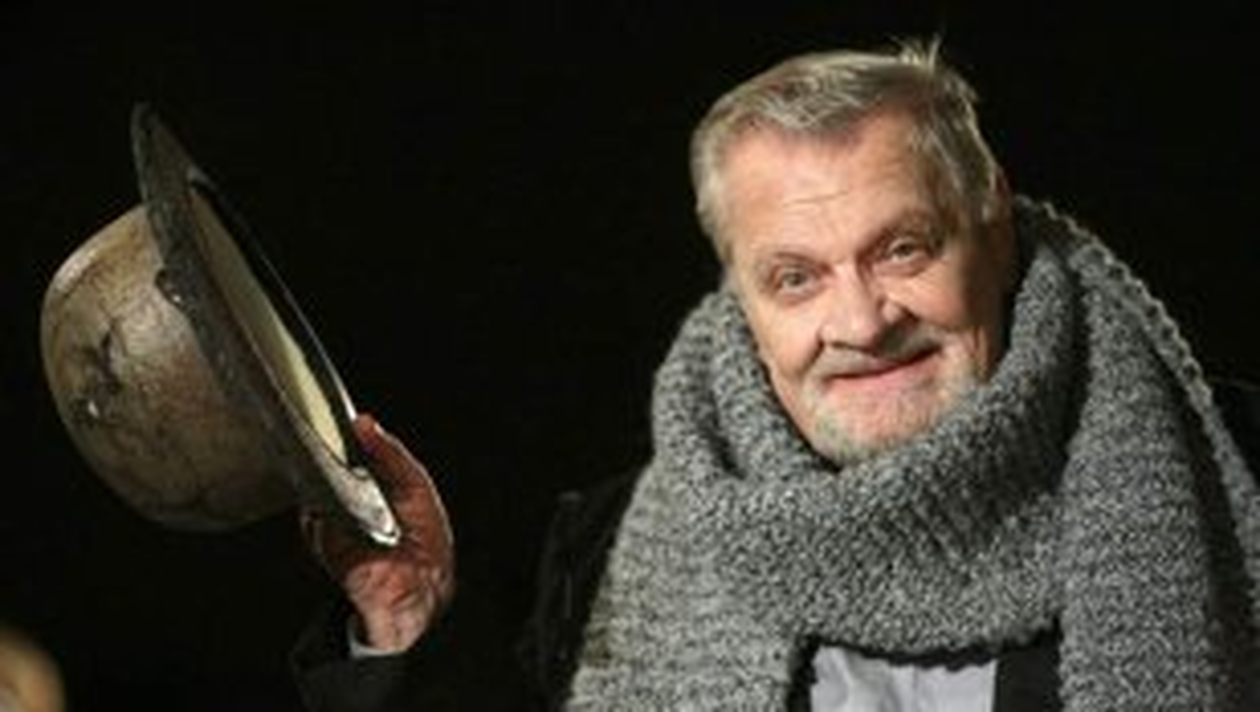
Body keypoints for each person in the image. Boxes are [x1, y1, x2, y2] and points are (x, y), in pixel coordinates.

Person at [290, 38, 1260, 710]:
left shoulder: (1231, 481)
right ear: (741, 297)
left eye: (904, 249)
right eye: (797, 278)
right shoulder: (607, 555)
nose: (862, 322)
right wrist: (406, 617)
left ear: (994, 225)